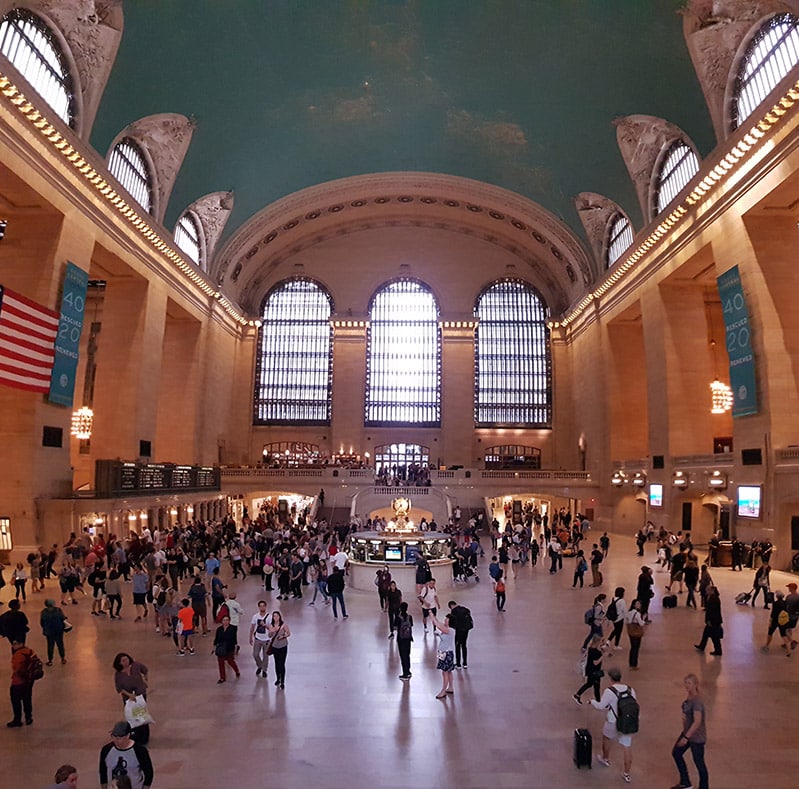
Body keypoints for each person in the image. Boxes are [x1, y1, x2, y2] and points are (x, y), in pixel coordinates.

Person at [591, 667, 636, 782]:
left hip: (612, 721)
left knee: (606, 738)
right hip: (627, 722)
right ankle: (627, 773)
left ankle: (605, 758)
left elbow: (601, 706)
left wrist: (592, 702)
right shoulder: (630, 690)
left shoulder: (609, 691)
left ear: (610, 678)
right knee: (627, 746)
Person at [670, 673, 708, 789]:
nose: (686, 685)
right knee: (676, 753)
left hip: (695, 737)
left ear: (696, 685)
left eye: (689, 683)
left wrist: (686, 738)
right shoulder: (690, 698)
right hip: (687, 732)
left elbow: (697, 721)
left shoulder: (697, 701)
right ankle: (685, 782)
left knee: (699, 763)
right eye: (685, 683)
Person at [99, 720, 154, 789]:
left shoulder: (140, 751)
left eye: (120, 738)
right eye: (114, 736)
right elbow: (102, 771)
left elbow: (148, 773)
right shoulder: (106, 750)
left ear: (128, 735)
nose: (116, 740)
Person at [112, 652, 149, 744]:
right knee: (133, 716)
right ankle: (135, 734)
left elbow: (144, 669)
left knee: (141, 715)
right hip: (128, 698)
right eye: (123, 660)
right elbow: (119, 688)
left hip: (140, 694)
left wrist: (145, 677)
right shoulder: (118, 674)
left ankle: (144, 736)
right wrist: (129, 695)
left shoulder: (136, 666)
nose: (126, 661)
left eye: (127, 659)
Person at [7, 638, 35, 727]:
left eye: (15, 644)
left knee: (16, 701)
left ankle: (17, 720)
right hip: (29, 681)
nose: (13, 646)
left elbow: (16, 668)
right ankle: (28, 717)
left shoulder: (18, 655)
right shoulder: (29, 651)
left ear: (21, 644)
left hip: (18, 682)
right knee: (27, 699)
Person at [430, 611, 455, 699]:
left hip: (446, 653)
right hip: (442, 652)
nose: (445, 620)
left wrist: (431, 615)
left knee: (445, 672)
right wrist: (432, 616)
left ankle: (443, 690)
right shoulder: (446, 628)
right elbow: (438, 623)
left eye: (447, 619)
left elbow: (437, 625)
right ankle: (450, 687)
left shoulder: (449, 630)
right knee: (448, 671)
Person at [573, 634, 604, 703]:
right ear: (597, 642)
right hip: (594, 671)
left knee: (592, 684)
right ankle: (598, 701)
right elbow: (596, 662)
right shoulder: (595, 652)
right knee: (594, 685)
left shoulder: (591, 649)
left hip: (591, 670)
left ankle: (578, 695)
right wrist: (603, 656)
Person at [694, 585, 723, 655]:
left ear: (711, 591)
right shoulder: (711, 597)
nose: (706, 591)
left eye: (707, 590)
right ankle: (702, 646)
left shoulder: (714, 599)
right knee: (706, 634)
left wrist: (709, 620)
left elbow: (712, 611)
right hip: (712, 620)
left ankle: (718, 651)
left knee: (714, 637)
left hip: (714, 621)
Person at [212, 613, 240, 683]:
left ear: (229, 621)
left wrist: (235, 647)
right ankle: (222, 677)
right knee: (221, 663)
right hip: (221, 648)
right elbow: (216, 639)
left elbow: (234, 639)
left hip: (229, 648)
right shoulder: (219, 629)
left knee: (230, 661)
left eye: (227, 620)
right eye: (224, 620)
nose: (225, 622)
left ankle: (236, 671)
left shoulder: (232, 629)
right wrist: (214, 647)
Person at [40, 599, 68, 666]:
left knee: (50, 645)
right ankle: (63, 658)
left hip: (49, 631)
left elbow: (42, 622)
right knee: (60, 644)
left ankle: (50, 660)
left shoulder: (44, 612)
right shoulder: (58, 610)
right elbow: (63, 618)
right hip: (59, 630)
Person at [447, 599, 473, 669]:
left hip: (459, 630)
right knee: (464, 645)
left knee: (457, 646)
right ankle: (465, 663)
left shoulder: (454, 611)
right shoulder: (465, 609)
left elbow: (451, 624)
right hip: (466, 630)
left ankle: (458, 664)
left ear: (451, 606)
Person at [267, 611, 290, 689]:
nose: (276, 618)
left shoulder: (283, 625)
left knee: (282, 663)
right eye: (274, 616)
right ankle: (278, 678)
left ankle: (282, 680)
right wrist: (272, 631)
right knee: (276, 663)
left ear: (280, 617)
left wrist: (283, 636)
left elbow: (288, 633)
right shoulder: (271, 625)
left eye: (277, 616)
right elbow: (269, 635)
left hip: (283, 646)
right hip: (275, 646)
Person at [249, 599, 271, 676]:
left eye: (263, 606)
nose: (262, 608)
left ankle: (264, 670)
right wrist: (250, 637)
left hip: (267, 639)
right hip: (258, 638)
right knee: (255, 654)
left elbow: (271, 629)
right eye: (260, 606)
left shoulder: (270, 617)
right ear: (258, 607)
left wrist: (265, 625)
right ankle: (260, 665)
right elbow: (252, 627)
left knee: (266, 656)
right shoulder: (255, 616)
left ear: (266, 607)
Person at [603, 587, 627, 653]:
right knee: (618, 632)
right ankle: (616, 645)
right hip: (619, 618)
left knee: (616, 630)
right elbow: (624, 611)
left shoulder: (614, 599)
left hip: (614, 619)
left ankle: (608, 641)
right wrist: (627, 618)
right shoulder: (622, 601)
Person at [394, 601, 413, 679]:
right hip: (408, 638)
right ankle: (408, 671)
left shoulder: (398, 617)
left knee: (403, 656)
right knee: (407, 655)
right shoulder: (410, 617)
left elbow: (395, 627)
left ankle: (405, 673)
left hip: (401, 639)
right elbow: (411, 625)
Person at [625, 599, 646, 670]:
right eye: (638, 604)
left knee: (632, 647)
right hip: (636, 632)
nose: (639, 605)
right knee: (636, 648)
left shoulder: (629, 612)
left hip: (631, 632)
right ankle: (634, 664)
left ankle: (631, 663)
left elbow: (627, 620)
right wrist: (644, 619)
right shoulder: (637, 613)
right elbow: (641, 623)